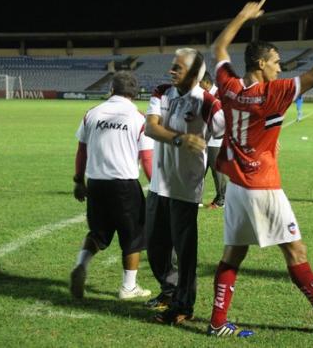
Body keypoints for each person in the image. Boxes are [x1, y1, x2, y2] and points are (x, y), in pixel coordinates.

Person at [206, 0, 313, 338]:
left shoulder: (230, 86)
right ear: (261, 63)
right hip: (263, 185)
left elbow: (219, 48)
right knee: (295, 250)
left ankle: (218, 322)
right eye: (276, 62)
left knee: (232, 255)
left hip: (236, 188)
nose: (280, 67)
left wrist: (241, 16)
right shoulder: (271, 94)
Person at [144, 48, 224, 324]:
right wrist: (180, 139)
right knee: (154, 247)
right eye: (173, 66)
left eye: (178, 67)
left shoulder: (208, 103)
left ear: (194, 73)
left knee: (185, 253)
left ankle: (182, 306)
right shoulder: (162, 92)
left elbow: (227, 132)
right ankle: (169, 290)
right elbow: (151, 128)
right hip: (158, 186)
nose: (171, 71)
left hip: (185, 190)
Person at [70, 71, 153, 300]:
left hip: (96, 183)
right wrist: (155, 186)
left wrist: (79, 181)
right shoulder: (138, 117)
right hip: (124, 185)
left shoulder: (92, 113)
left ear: (112, 90)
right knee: (133, 236)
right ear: (135, 93)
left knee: (98, 233)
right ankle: (128, 287)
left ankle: (81, 265)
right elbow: (146, 157)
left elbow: (82, 150)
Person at [200, 71, 227, 209]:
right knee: (199, 169)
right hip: (203, 139)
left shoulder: (219, 94)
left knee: (217, 171)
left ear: (206, 82)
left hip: (215, 141)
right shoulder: (203, 94)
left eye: (200, 83)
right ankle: (196, 198)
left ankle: (222, 199)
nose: (198, 86)